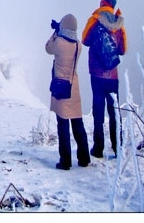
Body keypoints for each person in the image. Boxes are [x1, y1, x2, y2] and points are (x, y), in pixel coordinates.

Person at [82, 0, 127, 158]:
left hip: (96, 73)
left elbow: (85, 40)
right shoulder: (119, 23)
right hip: (113, 76)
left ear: (102, 2)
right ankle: (118, 147)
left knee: (98, 110)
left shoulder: (94, 19)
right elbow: (123, 50)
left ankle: (98, 148)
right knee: (114, 111)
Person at [45, 13, 91, 170]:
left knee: (62, 125)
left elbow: (47, 48)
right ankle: (84, 158)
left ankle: (65, 161)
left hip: (61, 88)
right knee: (78, 124)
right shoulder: (78, 45)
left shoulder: (59, 43)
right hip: (74, 87)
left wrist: (56, 32)